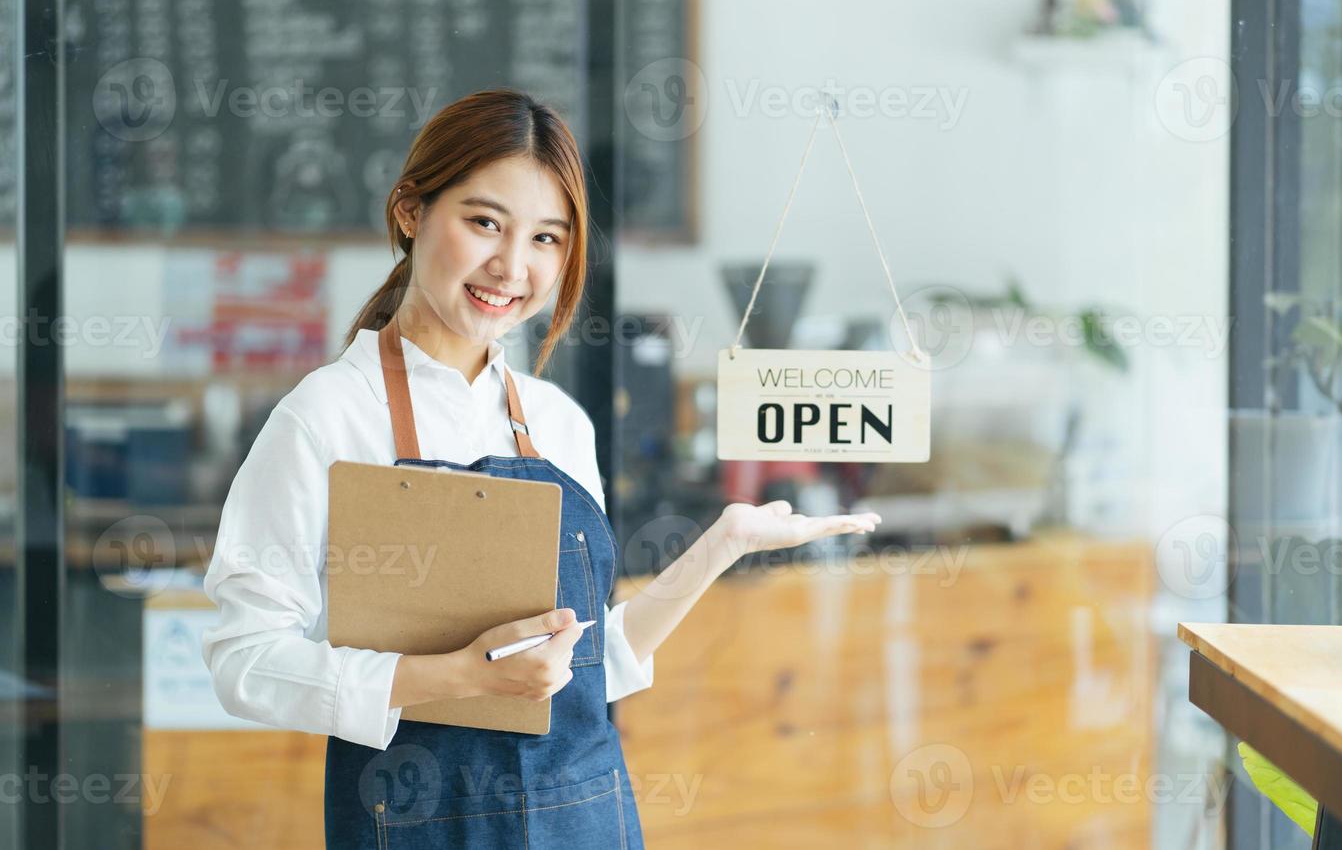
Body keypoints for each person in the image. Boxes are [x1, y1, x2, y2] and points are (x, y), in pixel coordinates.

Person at [201, 88, 881, 848]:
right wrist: (459, 677)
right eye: (485, 222)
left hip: (585, 821)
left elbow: (596, 666)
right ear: (409, 211)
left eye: (547, 239)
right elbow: (245, 660)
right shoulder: (327, 416)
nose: (513, 266)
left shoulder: (558, 422)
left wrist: (722, 544)